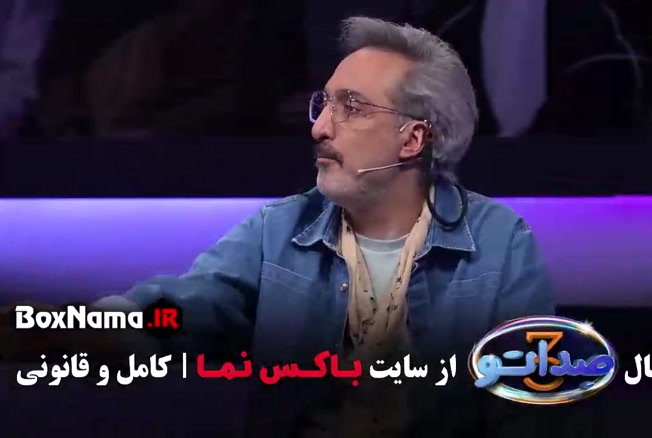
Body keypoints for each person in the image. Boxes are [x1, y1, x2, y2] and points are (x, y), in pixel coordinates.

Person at [2, 16, 554, 436]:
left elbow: (534, 408)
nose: (318, 128)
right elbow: (180, 308)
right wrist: (67, 325)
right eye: (322, 104)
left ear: (413, 139)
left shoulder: (499, 244)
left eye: (351, 108)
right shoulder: (280, 231)